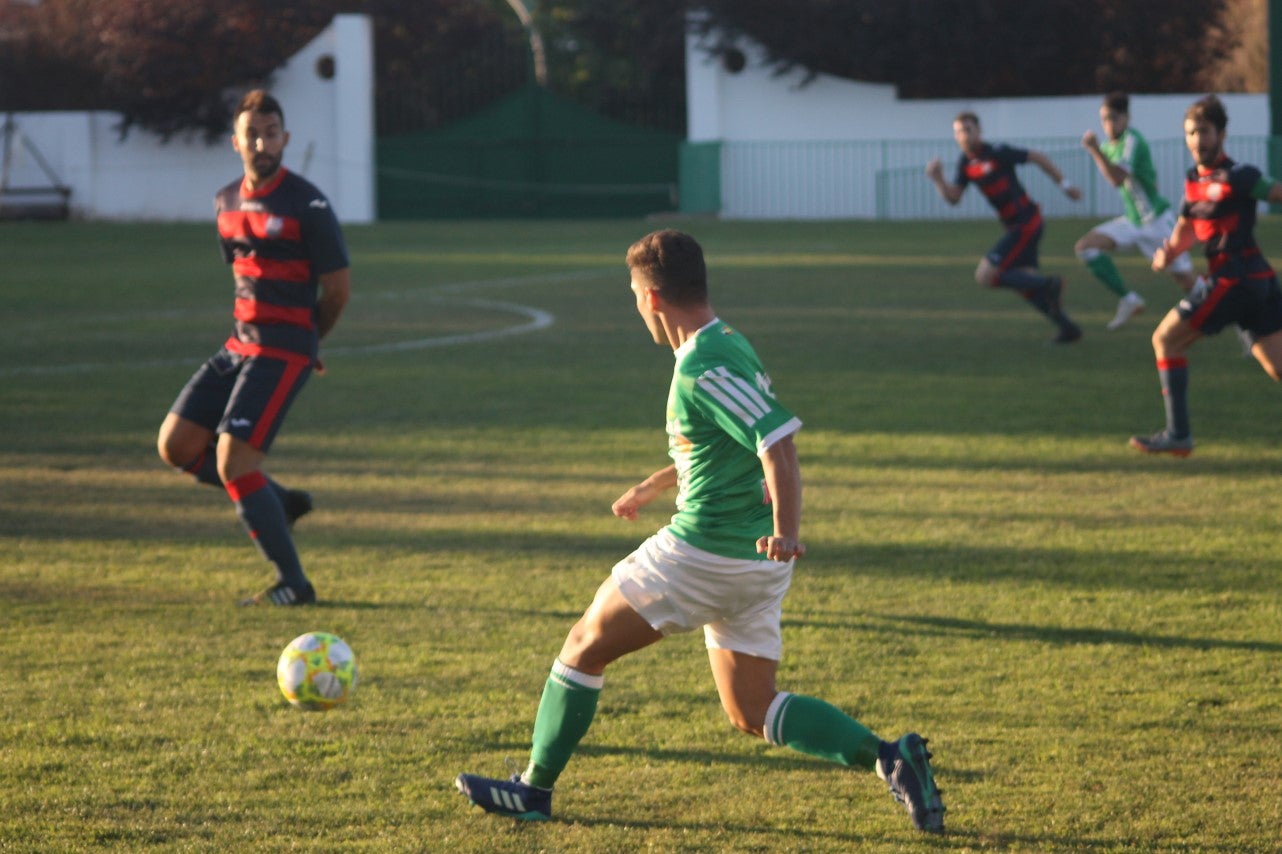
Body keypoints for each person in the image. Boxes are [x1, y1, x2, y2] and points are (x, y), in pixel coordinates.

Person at [455, 229, 945, 833]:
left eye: (634, 295)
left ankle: (533, 789)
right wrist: (656, 484)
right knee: (753, 709)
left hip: (705, 553)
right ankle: (890, 758)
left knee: (584, 646)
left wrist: (788, 530)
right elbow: (726, 445)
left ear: (654, 297)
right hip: (755, 567)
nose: (636, 308)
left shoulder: (702, 365)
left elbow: (778, 445)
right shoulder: (728, 342)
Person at [156, 89, 351, 605]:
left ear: (285, 138)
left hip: (283, 348)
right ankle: (278, 501)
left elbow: (337, 291)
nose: (261, 142)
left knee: (233, 463)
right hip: (238, 345)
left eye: (270, 133)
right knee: (175, 446)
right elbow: (245, 279)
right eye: (252, 134)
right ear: (235, 141)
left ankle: (294, 584)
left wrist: (310, 340)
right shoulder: (226, 202)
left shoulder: (307, 203)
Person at [1131, 95, 1282, 456]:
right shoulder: (1192, 183)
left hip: (1236, 278)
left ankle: (1178, 434)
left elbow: (1275, 192)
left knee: (1165, 340)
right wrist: (1168, 252)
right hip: (1254, 284)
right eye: (1191, 132)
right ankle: (1178, 435)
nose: (1197, 140)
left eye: (1204, 131)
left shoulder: (1239, 175)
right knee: (1278, 368)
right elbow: (1186, 228)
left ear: (1222, 134)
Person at [927, 111, 1084, 343]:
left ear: (979, 131)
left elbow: (1037, 157)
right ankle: (1068, 328)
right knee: (1025, 283)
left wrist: (1065, 184)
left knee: (985, 276)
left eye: (968, 129)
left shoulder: (997, 152)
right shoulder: (965, 163)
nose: (963, 135)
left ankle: (1050, 284)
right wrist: (938, 179)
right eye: (958, 131)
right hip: (1015, 226)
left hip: (1026, 222)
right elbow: (954, 198)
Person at [1077, 91, 1197, 330]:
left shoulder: (1132, 140)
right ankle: (1129, 300)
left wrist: (1094, 150)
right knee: (1086, 247)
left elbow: (1117, 178)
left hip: (1157, 223)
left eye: (1113, 118)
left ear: (1126, 118)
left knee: (1188, 283)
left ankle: (1244, 326)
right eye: (1104, 119)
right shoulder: (1110, 146)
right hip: (1133, 222)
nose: (1108, 124)